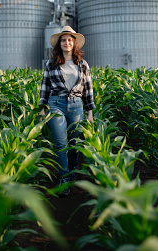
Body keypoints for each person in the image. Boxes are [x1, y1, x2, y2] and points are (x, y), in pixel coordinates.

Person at [39, 25, 95, 196]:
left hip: (76, 105)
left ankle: (71, 171)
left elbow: (88, 88)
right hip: (56, 103)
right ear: (59, 44)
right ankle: (63, 178)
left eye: (69, 40)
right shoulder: (51, 64)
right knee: (61, 142)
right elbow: (45, 86)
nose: (66, 42)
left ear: (74, 43)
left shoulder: (82, 64)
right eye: (63, 40)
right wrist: (42, 108)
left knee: (74, 143)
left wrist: (90, 111)